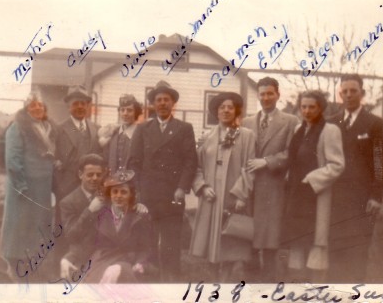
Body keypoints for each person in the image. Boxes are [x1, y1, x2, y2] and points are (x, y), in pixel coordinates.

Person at [128, 80, 198, 282]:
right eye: (158, 100)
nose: (162, 103)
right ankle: (149, 273)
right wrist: (138, 191)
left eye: (166, 100)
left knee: (171, 239)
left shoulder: (184, 128)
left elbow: (190, 161)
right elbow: (134, 162)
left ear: (173, 103)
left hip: (172, 193)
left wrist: (182, 188)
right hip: (148, 193)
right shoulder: (143, 129)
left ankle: (171, 277)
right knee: (148, 236)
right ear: (153, 104)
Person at [328, 74, 383, 282]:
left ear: (362, 94)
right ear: (339, 95)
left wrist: (376, 196)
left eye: (353, 91)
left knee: (357, 253)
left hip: (362, 200)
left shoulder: (375, 124)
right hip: (334, 198)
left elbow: (380, 162)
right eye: (344, 91)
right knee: (334, 252)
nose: (348, 95)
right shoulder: (331, 123)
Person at [189, 92, 256, 282]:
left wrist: (242, 195)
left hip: (232, 194)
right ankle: (212, 282)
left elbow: (250, 167)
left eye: (230, 107)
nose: (226, 110)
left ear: (236, 111)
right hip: (211, 195)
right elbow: (197, 166)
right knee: (210, 242)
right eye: (222, 107)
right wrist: (202, 187)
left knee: (228, 242)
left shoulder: (246, 136)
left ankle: (225, 282)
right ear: (216, 112)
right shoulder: (207, 137)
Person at [282, 90, 344, 282]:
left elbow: (337, 165)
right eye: (303, 107)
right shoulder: (299, 129)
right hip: (296, 193)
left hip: (315, 195)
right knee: (298, 242)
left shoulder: (329, 130)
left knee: (316, 244)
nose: (307, 111)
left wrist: (311, 179)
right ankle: (298, 288)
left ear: (321, 108)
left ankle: (317, 289)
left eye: (312, 107)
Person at [242, 76, 299, 281]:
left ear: (277, 95)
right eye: (262, 94)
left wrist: (267, 161)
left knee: (269, 239)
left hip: (273, 187)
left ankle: (268, 284)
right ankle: (250, 283)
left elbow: (292, 153)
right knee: (249, 237)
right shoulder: (247, 122)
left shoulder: (290, 121)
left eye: (270, 93)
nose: (266, 98)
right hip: (249, 188)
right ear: (257, 96)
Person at [0, 90, 58, 282]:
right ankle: (12, 266)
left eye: (40, 105)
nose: (37, 108)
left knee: (37, 226)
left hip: (42, 187)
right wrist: (21, 186)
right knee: (18, 226)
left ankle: (31, 263)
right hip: (23, 187)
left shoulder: (48, 127)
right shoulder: (17, 128)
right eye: (33, 106)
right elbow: (12, 160)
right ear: (26, 110)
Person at [60, 154, 148, 280]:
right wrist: (89, 211)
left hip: (111, 254)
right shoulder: (68, 202)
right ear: (80, 174)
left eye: (98, 174)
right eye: (90, 175)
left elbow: (124, 203)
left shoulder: (109, 195)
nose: (94, 178)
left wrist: (137, 205)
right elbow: (71, 236)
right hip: (83, 256)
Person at [85, 169, 153, 283]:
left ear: (131, 194)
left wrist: (141, 263)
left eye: (123, 192)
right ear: (110, 194)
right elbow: (88, 243)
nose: (118, 196)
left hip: (127, 262)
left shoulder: (139, 216)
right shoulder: (101, 214)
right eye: (115, 192)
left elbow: (146, 248)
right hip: (102, 261)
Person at [54, 85, 102, 203]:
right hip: (66, 187)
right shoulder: (58, 129)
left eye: (83, 103)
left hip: (91, 187)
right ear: (68, 106)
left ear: (87, 106)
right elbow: (52, 157)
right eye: (75, 104)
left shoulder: (96, 128)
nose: (80, 107)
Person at [99, 94, 143, 174]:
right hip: (112, 182)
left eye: (129, 110)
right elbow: (106, 160)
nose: (125, 113)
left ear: (136, 112)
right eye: (122, 110)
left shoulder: (141, 135)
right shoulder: (112, 134)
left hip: (133, 183)